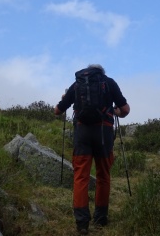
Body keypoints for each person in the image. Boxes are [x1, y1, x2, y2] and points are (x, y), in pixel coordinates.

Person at [54, 64, 130, 235]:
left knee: (81, 176)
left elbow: (57, 111)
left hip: (82, 134)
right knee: (103, 175)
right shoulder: (109, 83)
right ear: (101, 73)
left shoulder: (77, 85)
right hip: (104, 134)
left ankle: (82, 223)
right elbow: (125, 110)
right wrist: (116, 111)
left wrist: (66, 98)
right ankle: (101, 218)